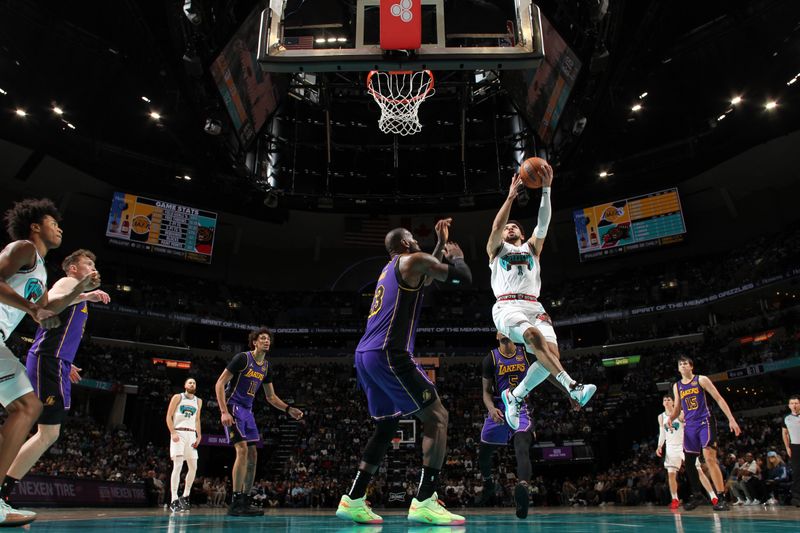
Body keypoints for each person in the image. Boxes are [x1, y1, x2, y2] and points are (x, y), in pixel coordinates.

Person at [336, 219, 472, 526]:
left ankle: (353, 499)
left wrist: (438, 243)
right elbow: (461, 278)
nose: (418, 243)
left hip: (365, 354)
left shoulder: (390, 269)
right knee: (438, 417)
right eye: (414, 239)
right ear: (406, 244)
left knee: (386, 427)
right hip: (389, 353)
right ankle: (425, 500)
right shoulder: (414, 260)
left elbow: (426, 275)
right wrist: (456, 255)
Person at [0, 200, 100, 526]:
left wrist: (80, 292)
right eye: (52, 221)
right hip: (25, 351)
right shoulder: (23, 248)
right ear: (34, 225)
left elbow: (50, 306)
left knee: (28, 409)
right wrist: (31, 309)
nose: (59, 226)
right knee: (30, 412)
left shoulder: (40, 269)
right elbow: (37, 307)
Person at [486, 170, 596, 431]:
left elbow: (543, 224)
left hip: (535, 305)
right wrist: (511, 197)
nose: (510, 227)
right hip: (507, 305)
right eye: (507, 227)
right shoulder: (497, 250)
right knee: (534, 336)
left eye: (515, 226)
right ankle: (573, 386)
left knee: (550, 356)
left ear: (522, 236)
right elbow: (495, 227)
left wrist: (546, 189)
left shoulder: (532, 248)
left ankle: (515, 396)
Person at [479, 332, 577, 518]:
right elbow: (485, 392)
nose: (505, 331)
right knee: (484, 455)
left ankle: (523, 487)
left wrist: (568, 393)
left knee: (522, 446)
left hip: (521, 406)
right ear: (497, 335)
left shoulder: (527, 354)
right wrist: (491, 408)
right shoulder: (490, 359)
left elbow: (548, 374)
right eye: (501, 329)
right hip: (499, 406)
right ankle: (488, 482)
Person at [214, 328, 303, 516]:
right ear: (254, 342)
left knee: (253, 455)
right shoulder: (242, 359)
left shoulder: (266, 367)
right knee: (242, 449)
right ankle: (235, 501)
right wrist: (223, 411)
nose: (266, 341)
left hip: (248, 411)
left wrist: (288, 409)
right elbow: (220, 383)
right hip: (233, 407)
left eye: (268, 339)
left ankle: (245, 500)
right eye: (262, 338)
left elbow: (271, 397)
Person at [668, 356, 741, 511]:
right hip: (689, 426)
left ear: (691, 366)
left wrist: (731, 419)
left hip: (704, 422)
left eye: (685, 363)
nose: (682, 365)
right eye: (680, 364)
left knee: (709, 458)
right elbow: (677, 409)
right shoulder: (677, 386)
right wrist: (671, 419)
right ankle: (697, 495)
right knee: (688, 462)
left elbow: (719, 399)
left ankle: (721, 497)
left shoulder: (701, 380)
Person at [656, 394, 715, 509]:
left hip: (684, 446)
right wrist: (659, 446)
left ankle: (713, 496)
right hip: (670, 448)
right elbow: (662, 433)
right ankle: (675, 499)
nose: (666, 401)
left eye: (669, 399)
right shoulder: (661, 417)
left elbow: (691, 427)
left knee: (698, 471)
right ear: (663, 403)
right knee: (671, 475)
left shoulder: (681, 413)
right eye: (664, 399)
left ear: (673, 402)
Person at [165, 378, 203, 512]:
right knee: (178, 465)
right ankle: (173, 498)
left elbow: (197, 419)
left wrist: (199, 435)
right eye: (190, 382)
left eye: (194, 383)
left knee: (194, 467)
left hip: (191, 434)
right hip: (179, 433)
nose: (192, 384)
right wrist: (173, 432)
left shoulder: (198, 401)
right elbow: (168, 416)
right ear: (185, 385)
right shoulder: (178, 397)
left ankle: (185, 495)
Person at [783, 394, 800, 506]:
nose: (794, 405)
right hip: (795, 446)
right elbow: (785, 433)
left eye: (796, 403)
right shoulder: (786, 418)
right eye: (792, 403)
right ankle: (797, 498)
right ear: (789, 405)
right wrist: (787, 447)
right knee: (797, 472)